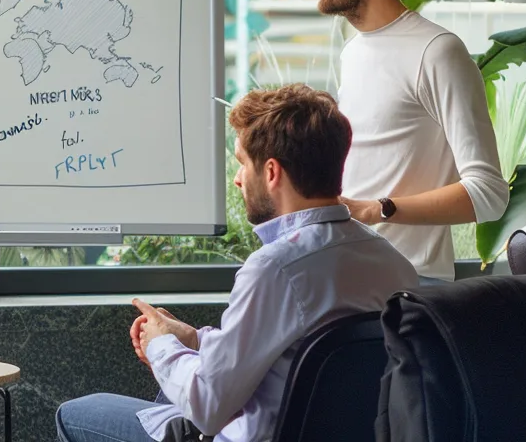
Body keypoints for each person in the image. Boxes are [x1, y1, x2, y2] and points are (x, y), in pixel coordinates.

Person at [56, 84, 416, 442]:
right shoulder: (395, 265)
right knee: (171, 392)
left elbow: (209, 407)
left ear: (272, 172)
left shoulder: (275, 268)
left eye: (243, 162)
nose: (238, 178)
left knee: (77, 413)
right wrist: (193, 339)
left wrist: (159, 344)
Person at [309, 0, 509, 284]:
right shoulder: (353, 51)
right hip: (348, 278)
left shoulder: (437, 52)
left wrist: (377, 209)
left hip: (410, 289)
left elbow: (489, 194)